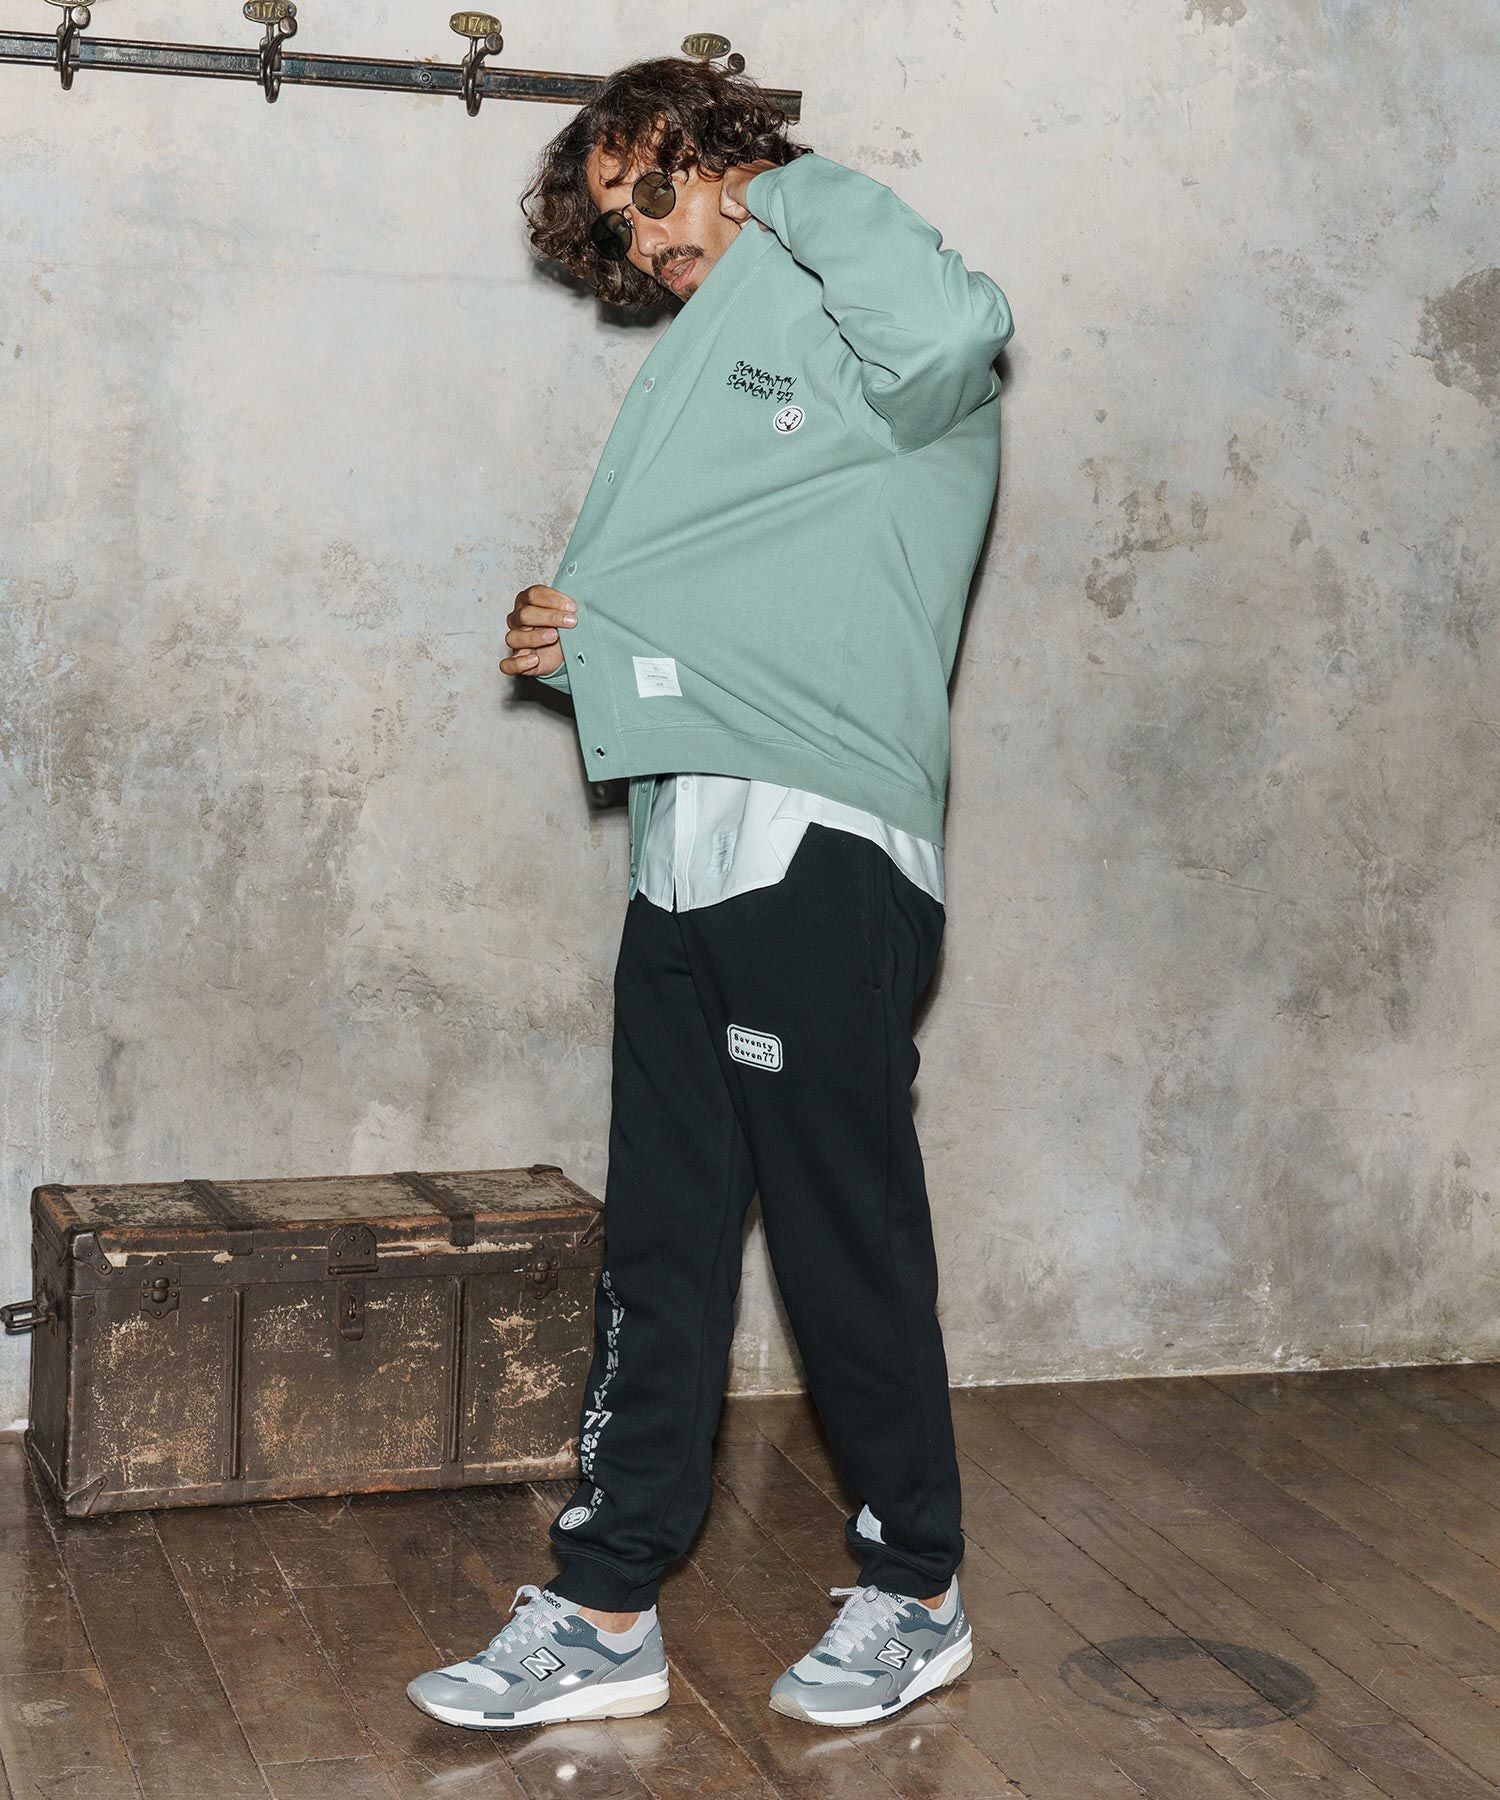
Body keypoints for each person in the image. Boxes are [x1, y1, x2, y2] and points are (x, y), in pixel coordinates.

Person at [408, 52, 1013, 1733]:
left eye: (658, 188)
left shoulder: (877, 341)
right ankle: (607, 1606)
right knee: (662, 1250)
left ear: (728, 154)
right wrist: (584, 646)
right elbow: (755, 589)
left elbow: (956, 328)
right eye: (619, 223)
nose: (648, 239)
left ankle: (919, 1587)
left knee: (839, 1237)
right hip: (689, 852)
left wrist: (784, 185)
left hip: (823, 843)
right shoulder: (719, 373)